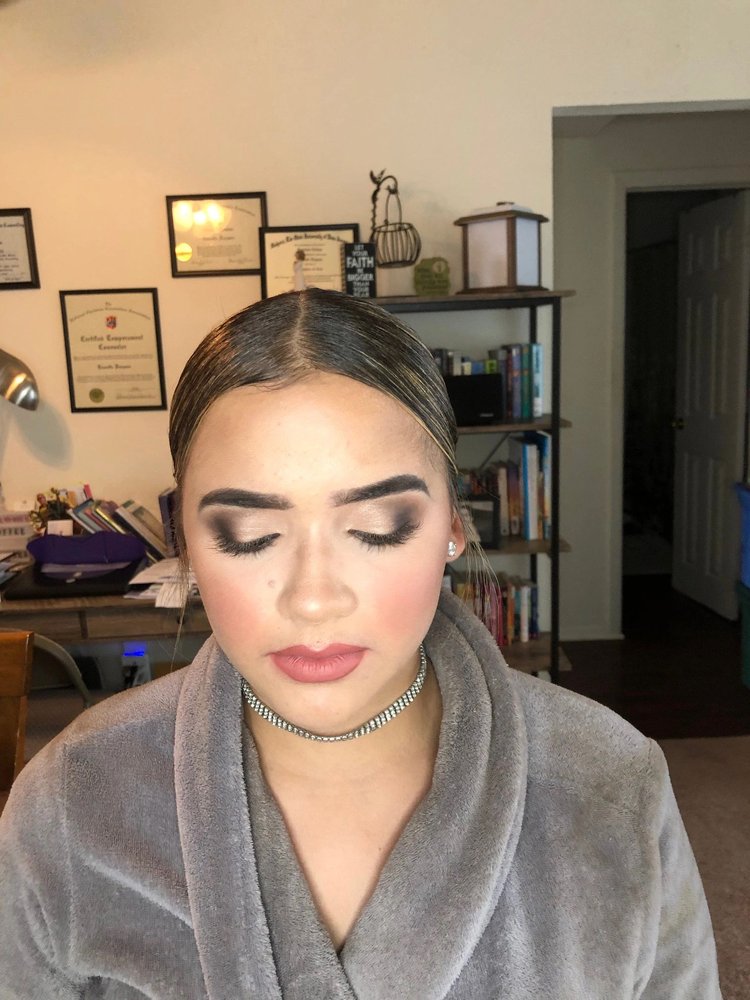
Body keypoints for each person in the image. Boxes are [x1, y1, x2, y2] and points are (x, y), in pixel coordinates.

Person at [0, 289, 721, 999]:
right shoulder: (73, 801)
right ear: (186, 539)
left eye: (377, 528)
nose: (314, 598)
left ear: (452, 525)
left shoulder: (610, 784)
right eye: (248, 535)